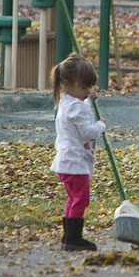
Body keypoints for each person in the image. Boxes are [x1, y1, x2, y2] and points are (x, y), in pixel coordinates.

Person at [50, 53, 106, 251]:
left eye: (89, 87)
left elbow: (84, 110)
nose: (87, 91)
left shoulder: (69, 102)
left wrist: (89, 100)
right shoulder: (74, 108)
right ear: (67, 83)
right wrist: (101, 125)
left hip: (69, 162)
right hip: (74, 163)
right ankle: (73, 239)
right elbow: (87, 132)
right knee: (81, 199)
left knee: (74, 199)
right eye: (84, 87)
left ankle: (69, 238)